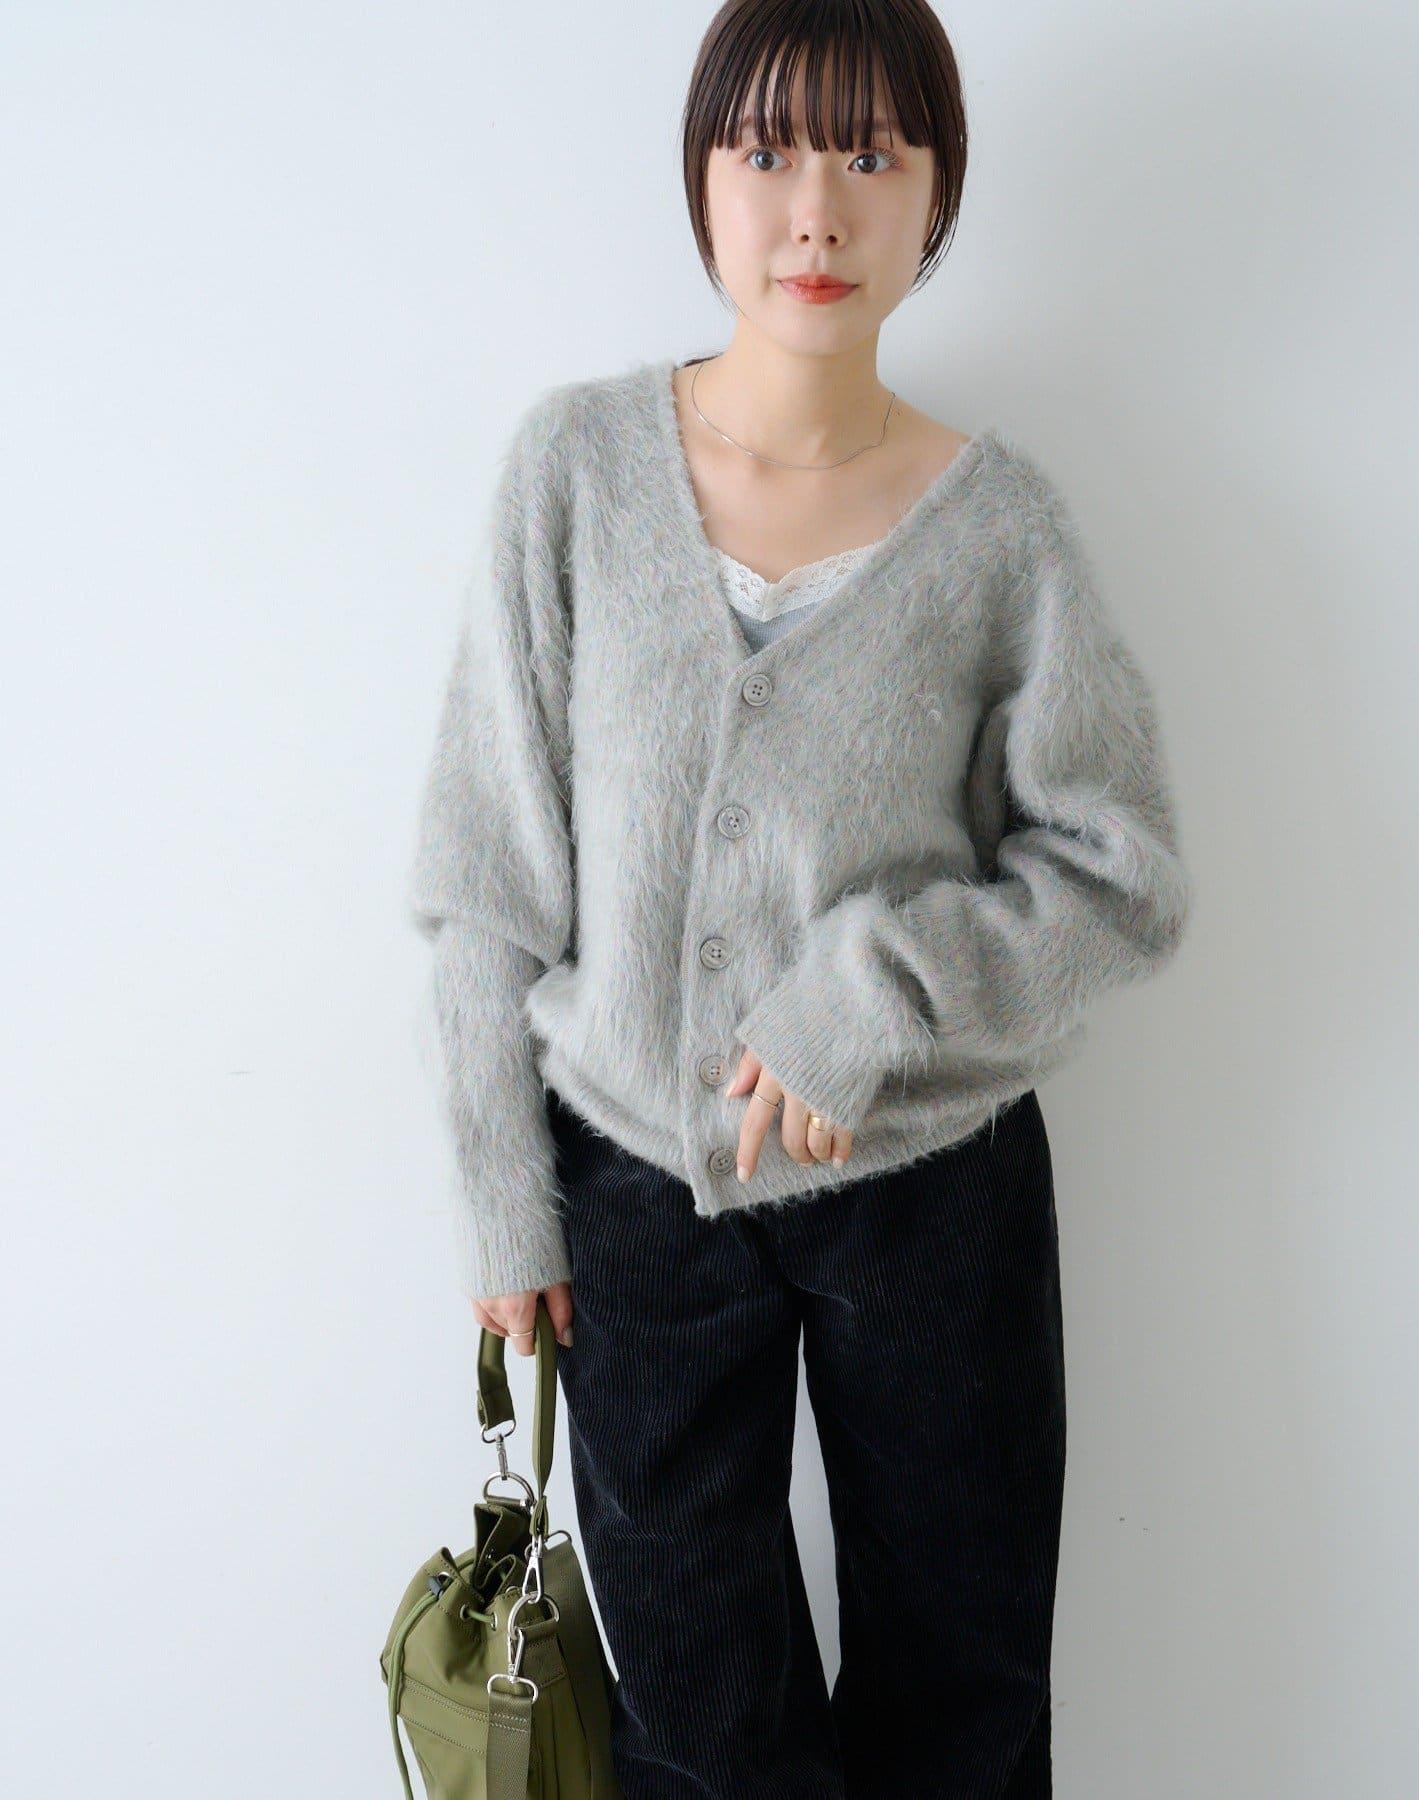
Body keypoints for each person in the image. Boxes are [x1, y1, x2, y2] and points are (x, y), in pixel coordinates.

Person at [406, 3, 1194, 1793]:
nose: (816, 210)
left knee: (963, 1701)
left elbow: (1120, 871)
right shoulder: (573, 473)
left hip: (934, 1196)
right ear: (702, 178)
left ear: (937, 195)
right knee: (700, 1727)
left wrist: (875, 995)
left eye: (869, 154)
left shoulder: (1001, 531)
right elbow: (484, 876)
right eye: (766, 151)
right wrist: (502, 1200)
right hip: (633, 1195)